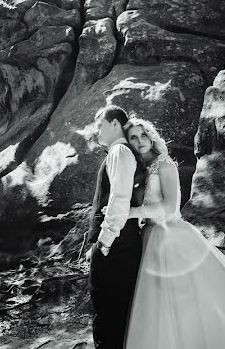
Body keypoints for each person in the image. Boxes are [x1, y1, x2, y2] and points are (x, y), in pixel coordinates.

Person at [122, 116, 225, 349]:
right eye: (134, 138)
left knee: (187, 301)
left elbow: (170, 206)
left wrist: (132, 212)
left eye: (143, 134)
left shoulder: (164, 163)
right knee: (157, 305)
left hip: (171, 238)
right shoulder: (140, 170)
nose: (140, 141)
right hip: (149, 238)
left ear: (151, 136)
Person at [86, 105, 146, 349]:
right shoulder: (122, 152)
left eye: (100, 125)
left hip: (116, 245)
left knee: (108, 313)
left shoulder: (119, 152)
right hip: (122, 242)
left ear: (114, 124)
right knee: (116, 312)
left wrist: (104, 243)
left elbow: (119, 199)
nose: (97, 131)